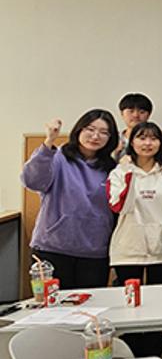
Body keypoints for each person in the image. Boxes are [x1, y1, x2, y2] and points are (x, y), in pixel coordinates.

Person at [106, 122, 162, 357]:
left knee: (156, 305)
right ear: (132, 142)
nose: (147, 143)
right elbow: (119, 206)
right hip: (128, 247)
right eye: (141, 138)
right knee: (130, 306)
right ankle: (132, 355)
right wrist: (129, 173)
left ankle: (154, 355)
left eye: (153, 138)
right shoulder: (119, 172)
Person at [22, 111, 118, 288]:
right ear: (79, 130)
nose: (95, 136)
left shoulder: (112, 168)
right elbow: (32, 181)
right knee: (52, 302)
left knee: (92, 302)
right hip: (53, 248)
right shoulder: (57, 157)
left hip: (94, 252)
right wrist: (49, 140)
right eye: (90, 129)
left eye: (104, 132)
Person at [115, 93, 153, 159]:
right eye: (131, 111)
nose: (136, 115)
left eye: (141, 112)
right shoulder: (114, 138)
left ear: (149, 115)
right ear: (122, 113)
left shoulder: (154, 140)